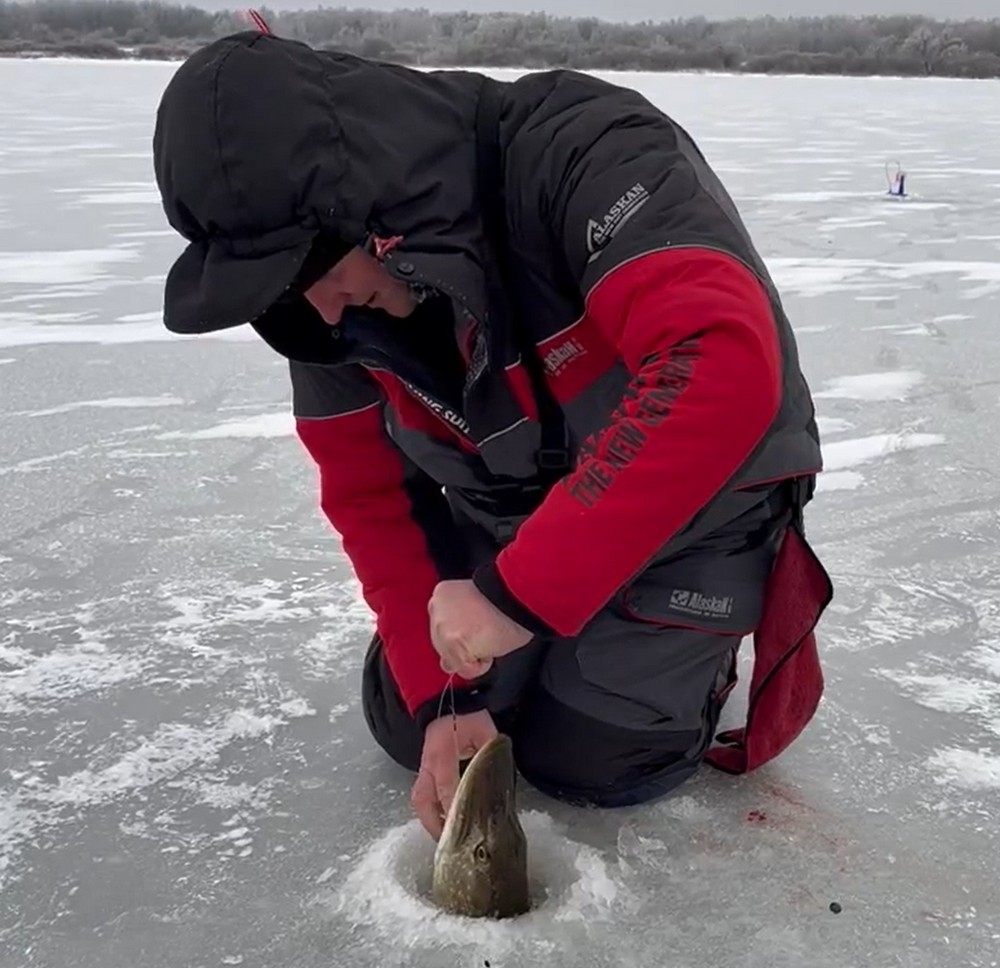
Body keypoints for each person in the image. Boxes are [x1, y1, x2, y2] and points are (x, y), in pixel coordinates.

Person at [152, 24, 834, 840]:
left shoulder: (586, 152)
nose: (320, 309)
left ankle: (689, 652)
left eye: (311, 269)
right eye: (281, 289)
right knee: (417, 722)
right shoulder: (325, 316)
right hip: (514, 517)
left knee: (595, 762)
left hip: (697, 514)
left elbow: (720, 366)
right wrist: (445, 697)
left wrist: (522, 595)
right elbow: (373, 499)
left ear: (371, 205)